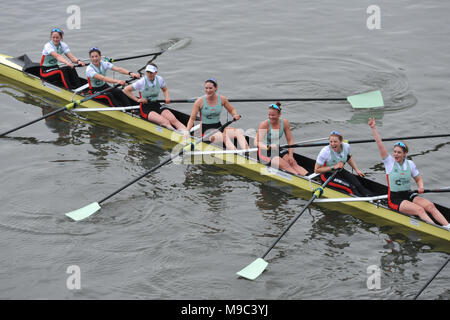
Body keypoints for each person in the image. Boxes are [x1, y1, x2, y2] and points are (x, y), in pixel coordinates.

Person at [368, 118, 450, 230]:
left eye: (399, 152)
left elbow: (418, 179)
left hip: (408, 194)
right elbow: (379, 144)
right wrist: (373, 128)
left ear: (405, 154)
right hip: (395, 199)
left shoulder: (410, 164)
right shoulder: (389, 162)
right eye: (395, 152)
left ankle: (448, 227)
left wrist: (421, 186)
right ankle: (438, 230)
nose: (395, 154)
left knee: (430, 206)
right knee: (419, 210)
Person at [185, 78, 248, 150]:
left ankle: (247, 151)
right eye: (206, 88)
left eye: (210, 88)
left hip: (219, 127)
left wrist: (234, 115)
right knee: (223, 136)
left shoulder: (222, 99)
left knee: (238, 132)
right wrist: (187, 131)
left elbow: (231, 109)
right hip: (206, 132)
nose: (208, 90)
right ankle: (237, 153)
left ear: (216, 88)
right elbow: (192, 118)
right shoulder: (199, 101)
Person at [123, 64, 187, 131]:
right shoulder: (142, 82)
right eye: (148, 72)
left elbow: (165, 90)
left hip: (156, 104)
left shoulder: (159, 79)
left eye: (151, 72)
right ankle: (177, 134)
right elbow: (126, 90)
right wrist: (137, 100)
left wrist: (167, 97)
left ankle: (187, 135)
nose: (149, 74)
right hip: (145, 108)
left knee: (174, 120)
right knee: (165, 122)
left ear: (156, 72)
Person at [255, 102, 308, 176]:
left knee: (293, 163)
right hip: (264, 151)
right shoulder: (264, 124)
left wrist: (291, 155)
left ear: (279, 115)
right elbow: (257, 142)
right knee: (286, 165)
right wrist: (268, 147)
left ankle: (311, 178)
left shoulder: (284, 122)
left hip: (276, 148)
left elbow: (290, 140)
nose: (270, 117)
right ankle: (302, 180)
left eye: (273, 115)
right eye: (269, 115)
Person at [314, 130, 373, 197]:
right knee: (351, 187)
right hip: (327, 176)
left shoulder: (346, 146)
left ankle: (373, 199)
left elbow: (348, 157)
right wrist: (333, 167)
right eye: (331, 142)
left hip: (339, 171)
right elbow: (316, 170)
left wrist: (357, 170)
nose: (332, 144)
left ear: (341, 141)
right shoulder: (325, 152)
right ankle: (363, 202)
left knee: (358, 185)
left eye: (335, 142)